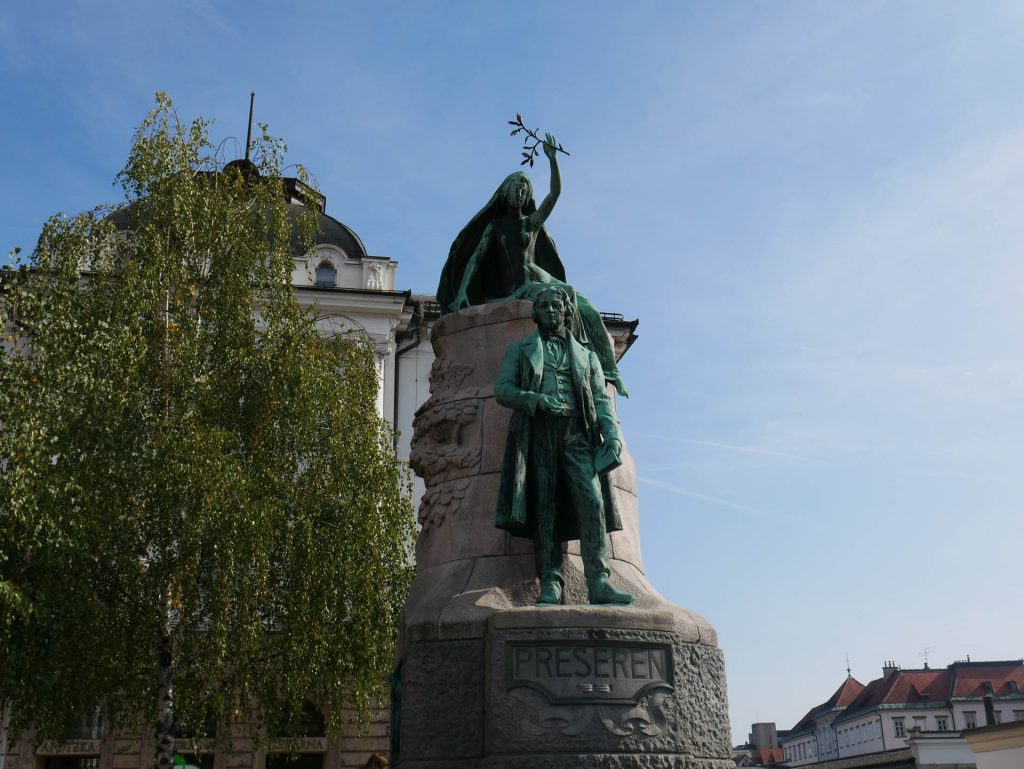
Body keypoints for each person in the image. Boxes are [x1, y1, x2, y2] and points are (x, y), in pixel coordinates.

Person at [436, 135, 628, 396]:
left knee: (585, 305)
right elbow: (475, 260)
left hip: (538, 279)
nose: (520, 192)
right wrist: (461, 295)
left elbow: (555, 195)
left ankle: (607, 368)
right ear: (505, 191)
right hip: (521, 288)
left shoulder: (530, 223)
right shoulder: (495, 227)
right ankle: (578, 347)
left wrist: (553, 161)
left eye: (524, 189)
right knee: (567, 297)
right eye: (516, 187)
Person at [494, 285, 634, 606]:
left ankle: (599, 581)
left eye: (556, 307)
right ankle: (550, 581)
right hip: (540, 432)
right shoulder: (522, 349)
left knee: (593, 504)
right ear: (536, 314)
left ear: (567, 312)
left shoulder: (587, 356)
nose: (551, 313)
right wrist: (533, 399)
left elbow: (601, 400)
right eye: (544, 308)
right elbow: (502, 388)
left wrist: (611, 435)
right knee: (545, 506)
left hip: (578, 435)